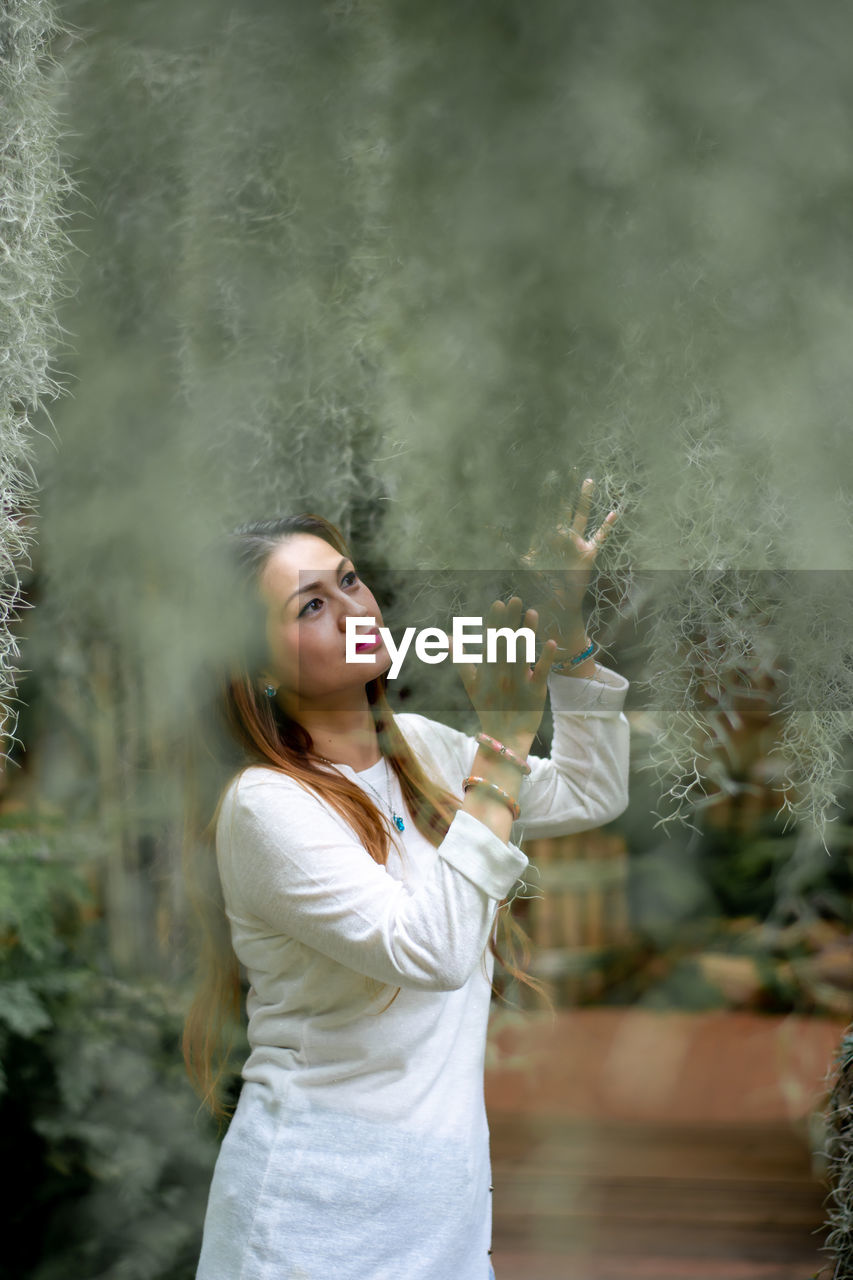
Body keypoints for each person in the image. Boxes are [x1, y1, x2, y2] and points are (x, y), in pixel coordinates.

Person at [183, 492, 629, 1280]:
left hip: (442, 1208)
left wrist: (568, 645)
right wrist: (501, 749)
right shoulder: (267, 806)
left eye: (350, 581)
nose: (353, 608)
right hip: (311, 1220)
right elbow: (432, 950)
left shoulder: (418, 749)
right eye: (310, 605)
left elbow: (593, 791)